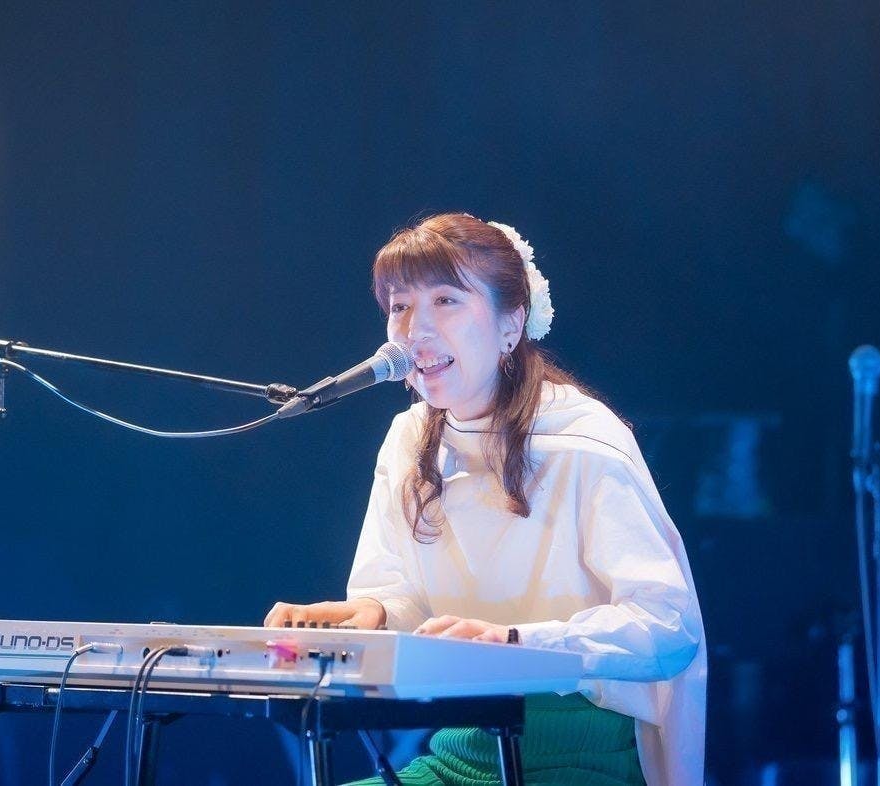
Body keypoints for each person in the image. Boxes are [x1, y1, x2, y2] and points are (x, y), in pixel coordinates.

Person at [265, 213, 707, 785]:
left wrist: (514, 643)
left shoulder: (584, 439)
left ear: (511, 323)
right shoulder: (408, 439)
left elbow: (668, 626)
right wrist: (374, 614)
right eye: (400, 306)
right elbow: (405, 600)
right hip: (462, 745)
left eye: (446, 300)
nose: (415, 330)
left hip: (580, 755)